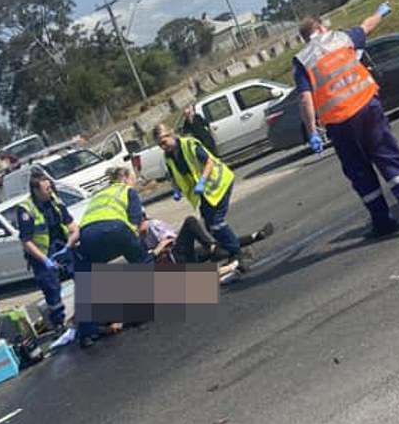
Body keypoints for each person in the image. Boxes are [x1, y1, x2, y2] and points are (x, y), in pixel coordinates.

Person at [293, 3, 399, 237]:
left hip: (340, 123)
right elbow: (367, 27)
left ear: (305, 38)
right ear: (322, 26)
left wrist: (312, 132)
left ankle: (384, 224)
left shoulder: (303, 60)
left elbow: (305, 99)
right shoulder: (342, 38)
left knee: (360, 172)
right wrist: (380, 13)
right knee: (389, 158)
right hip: (368, 108)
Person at [76, 166, 149, 348]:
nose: (134, 181)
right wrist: (137, 245)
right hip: (115, 228)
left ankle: (87, 332)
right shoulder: (127, 191)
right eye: (133, 177)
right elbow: (135, 224)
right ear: (124, 178)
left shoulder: (98, 195)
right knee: (141, 261)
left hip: (88, 234)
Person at [153, 124, 244, 263]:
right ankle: (230, 248)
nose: (163, 147)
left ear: (170, 135)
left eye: (164, 143)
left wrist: (201, 182)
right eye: (160, 145)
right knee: (209, 224)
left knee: (216, 222)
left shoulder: (189, 144)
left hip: (219, 184)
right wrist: (176, 190)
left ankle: (236, 252)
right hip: (207, 193)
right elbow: (174, 175)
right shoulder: (169, 156)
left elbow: (209, 162)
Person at [16, 171, 79, 332]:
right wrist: (45, 260)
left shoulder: (55, 202)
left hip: (62, 246)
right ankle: (59, 324)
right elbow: (26, 241)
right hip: (41, 254)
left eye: (50, 187)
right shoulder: (26, 209)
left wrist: (69, 244)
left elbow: (73, 226)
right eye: (46, 189)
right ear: (36, 191)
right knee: (52, 289)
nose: (50, 191)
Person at [142, 216, 274, 264]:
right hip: (175, 260)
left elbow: (170, 239)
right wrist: (158, 249)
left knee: (221, 248)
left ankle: (257, 236)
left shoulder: (152, 226)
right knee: (190, 221)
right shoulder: (138, 241)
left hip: (181, 257)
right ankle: (232, 262)